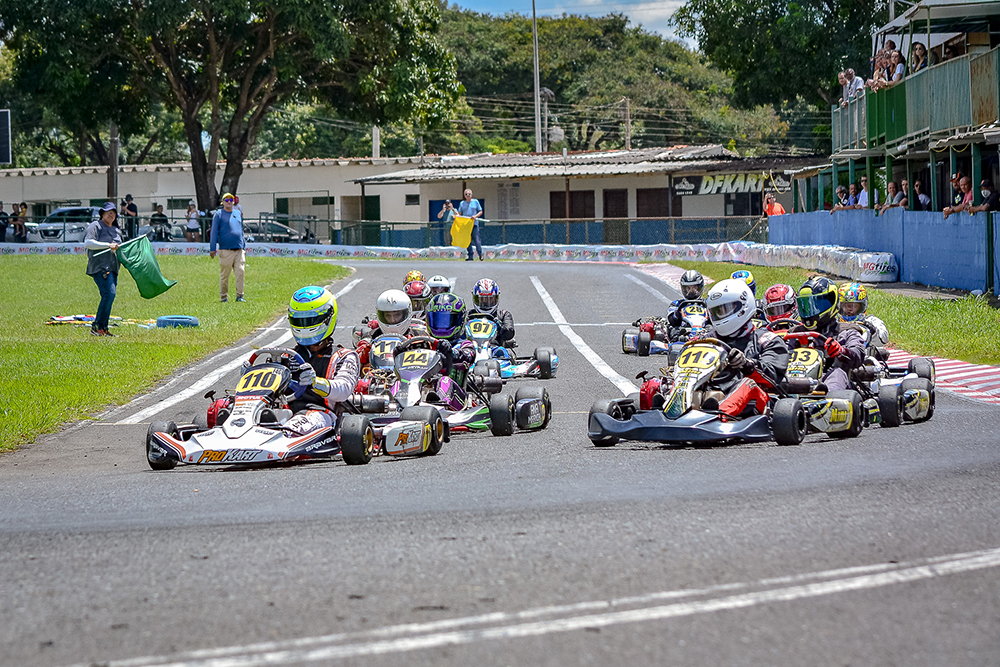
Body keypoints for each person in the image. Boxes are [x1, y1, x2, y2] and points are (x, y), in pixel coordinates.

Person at [699, 278, 790, 419]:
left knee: (748, 384)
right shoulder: (708, 340)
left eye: (726, 309)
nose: (721, 315)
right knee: (655, 384)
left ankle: (716, 416)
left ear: (743, 307)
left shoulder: (767, 340)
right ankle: (665, 407)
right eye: (717, 311)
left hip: (754, 401)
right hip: (712, 394)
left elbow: (772, 377)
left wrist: (747, 364)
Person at [282, 285, 361, 438]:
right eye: (300, 321)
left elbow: (343, 390)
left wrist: (315, 382)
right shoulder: (286, 356)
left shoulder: (343, 356)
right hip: (283, 410)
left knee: (292, 428)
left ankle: (280, 439)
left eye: (310, 320)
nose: (304, 326)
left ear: (327, 318)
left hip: (319, 413)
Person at [792, 276, 865, 391]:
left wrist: (842, 352)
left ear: (831, 301)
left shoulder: (846, 331)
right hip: (795, 382)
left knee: (837, 373)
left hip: (831, 382)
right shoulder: (794, 334)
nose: (811, 311)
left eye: (816, 305)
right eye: (807, 305)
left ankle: (828, 403)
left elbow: (858, 354)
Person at [83, 202, 124, 336]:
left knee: (109, 296)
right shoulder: (95, 226)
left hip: (113, 267)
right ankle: (97, 327)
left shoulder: (117, 230)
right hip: (100, 267)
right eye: (108, 213)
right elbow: (88, 243)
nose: (111, 215)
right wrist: (108, 245)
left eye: (113, 213)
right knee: (109, 294)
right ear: (102, 214)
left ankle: (103, 328)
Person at [422, 292, 477, 387]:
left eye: (446, 321)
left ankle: (436, 399)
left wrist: (450, 353)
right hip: (421, 389)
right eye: (438, 320)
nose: (441, 325)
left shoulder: (464, 344)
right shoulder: (425, 344)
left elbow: (468, 357)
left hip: (453, 393)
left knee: (444, 381)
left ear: (460, 320)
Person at [209, 192, 246, 302]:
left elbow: (241, 230)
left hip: (239, 250)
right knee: (225, 275)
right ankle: (223, 297)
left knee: (241, 272)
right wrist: (212, 248)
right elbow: (214, 232)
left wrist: (243, 246)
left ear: (234, 202)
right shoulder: (219, 214)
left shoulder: (237, 213)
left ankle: (240, 296)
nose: (229, 202)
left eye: (231, 200)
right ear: (223, 202)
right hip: (226, 250)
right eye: (226, 200)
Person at [838, 283, 888, 347]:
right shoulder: (835, 324)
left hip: (865, 354)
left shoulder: (872, 321)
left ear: (862, 306)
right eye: (846, 305)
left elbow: (884, 339)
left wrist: (873, 332)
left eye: (854, 306)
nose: (850, 309)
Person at [470, 278, 515, 344]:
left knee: (501, 351)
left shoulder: (503, 315)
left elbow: (509, 333)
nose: (486, 304)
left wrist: (499, 326)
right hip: (472, 348)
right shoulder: (469, 315)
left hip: (495, 349)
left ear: (496, 299)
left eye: (490, 299)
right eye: (482, 300)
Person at [458, 189, 484, 261]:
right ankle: (470, 255)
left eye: (469, 194)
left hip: (474, 224)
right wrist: (456, 217)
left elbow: (480, 211)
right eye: (466, 194)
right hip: (466, 225)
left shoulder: (475, 202)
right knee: (468, 240)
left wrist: (475, 216)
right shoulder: (462, 203)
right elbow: (460, 213)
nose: (468, 195)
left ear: (471, 195)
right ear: (464, 196)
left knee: (477, 240)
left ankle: (480, 254)